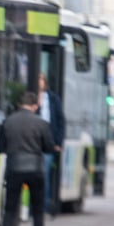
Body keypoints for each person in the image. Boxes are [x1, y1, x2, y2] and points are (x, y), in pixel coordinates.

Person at [0, 91, 56, 226]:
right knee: (37, 212)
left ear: (19, 105)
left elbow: (0, 147)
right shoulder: (42, 123)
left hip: (14, 168)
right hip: (36, 170)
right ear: (35, 106)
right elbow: (49, 147)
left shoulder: (8, 122)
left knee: (10, 209)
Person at [38, 72, 65, 215]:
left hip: (48, 143)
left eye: (41, 79)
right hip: (33, 142)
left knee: (45, 175)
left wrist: (58, 142)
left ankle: (43, 206)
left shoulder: (53, 98)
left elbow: (61, 121)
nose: (39, 82)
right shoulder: (31, 99)